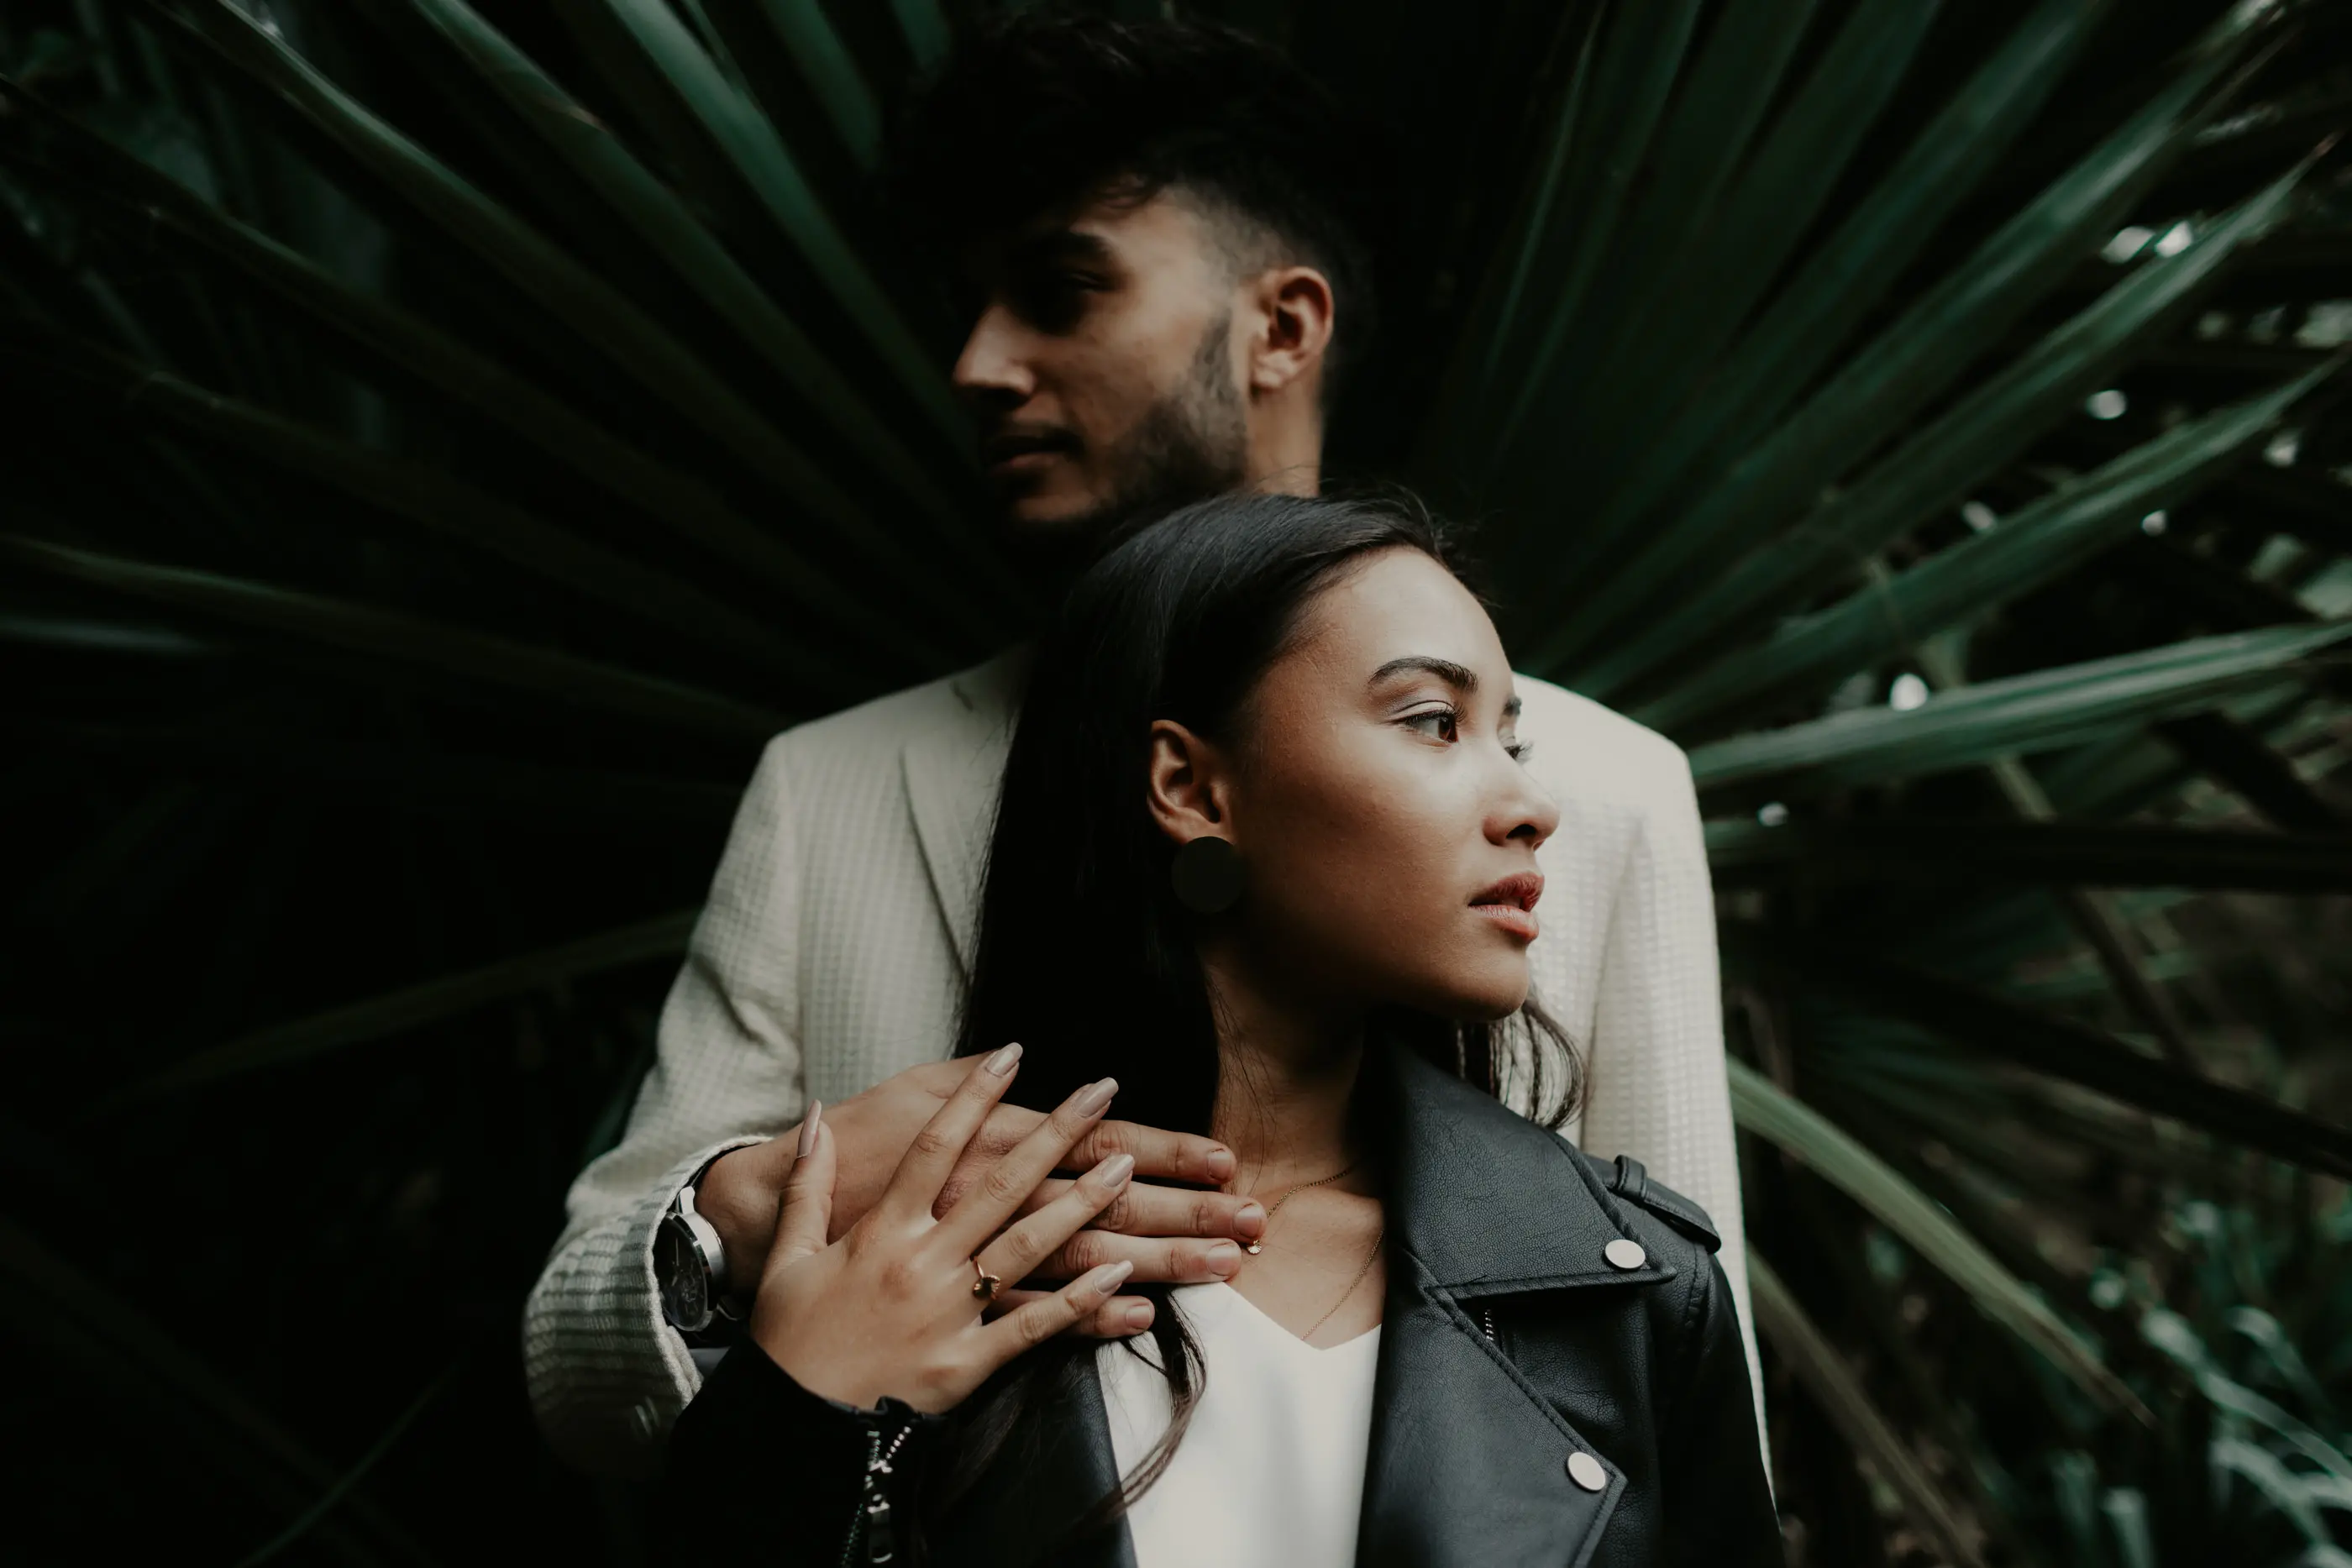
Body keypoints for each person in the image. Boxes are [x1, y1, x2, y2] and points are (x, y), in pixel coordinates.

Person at [523, 13, 1754, 1476]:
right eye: (971, 307)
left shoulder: (1602, 794)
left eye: (1061, 292)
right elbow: (575, 1381)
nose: (979, 364)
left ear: (1281, 330)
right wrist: (770, 1196)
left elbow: (1689, 1406)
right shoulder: (833, 786)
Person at [669, 492, 1780, 1566]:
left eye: (1512, 741)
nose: (1531, 806)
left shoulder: (1634, 1293)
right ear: (1192, 788)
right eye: (1434, 722)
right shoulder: (920, 1272)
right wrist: (806, 1412)